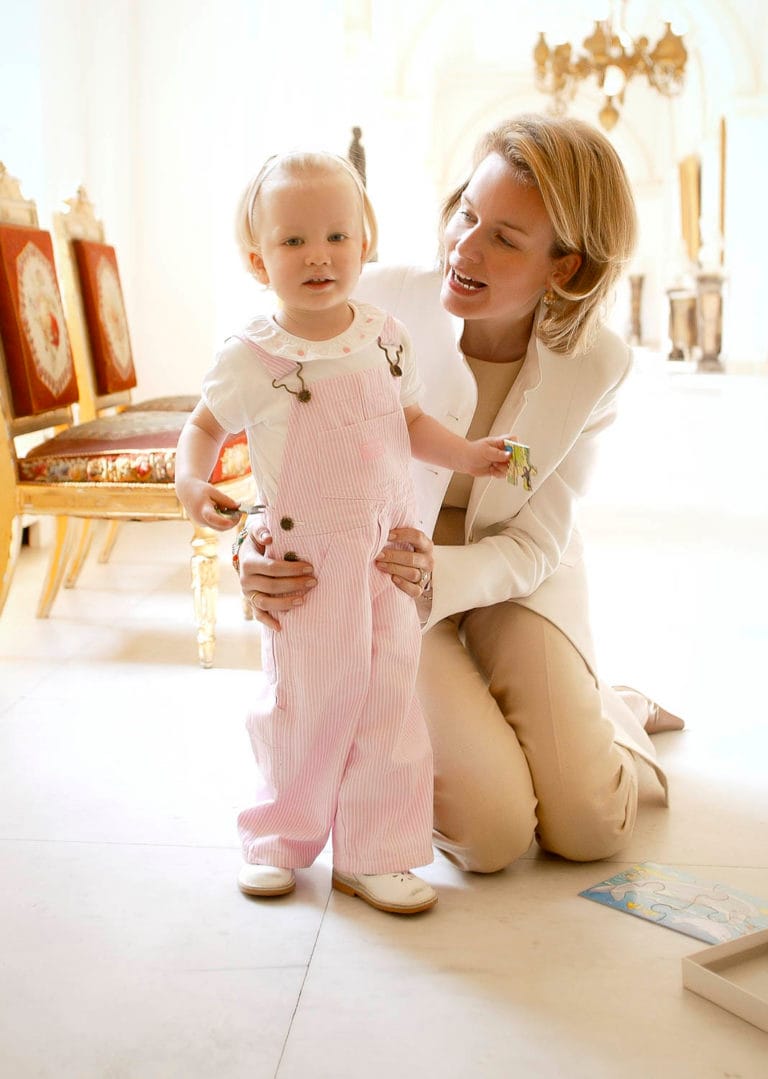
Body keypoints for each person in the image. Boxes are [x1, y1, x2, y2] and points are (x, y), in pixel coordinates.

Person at [235, 114, 685, 878]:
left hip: (515, 574)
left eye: (504, 238)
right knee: (492, 834)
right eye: (465, 213)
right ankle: (535, 714)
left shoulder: (597, 365)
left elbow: (536, 541)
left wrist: (441, 573)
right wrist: (250, 541)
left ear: (565, 267)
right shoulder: (367, 304)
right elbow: (270, 435)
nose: (465, 248)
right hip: (381, 577)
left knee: (590, 826)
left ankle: (613, 710)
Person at [174, 150, 513, 914]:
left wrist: (469, 455)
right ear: (257, 259)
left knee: (388, 702)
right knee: (304, 702)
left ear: (365, 242)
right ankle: (277, 838)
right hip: (308, 567)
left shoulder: (386, 336)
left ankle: (376, 853)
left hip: (386, 555)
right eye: (293, 240)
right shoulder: (252, 356)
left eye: (336, 236)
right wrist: (192, 481)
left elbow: (411, 422)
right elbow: (202, 427)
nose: (318, 255)